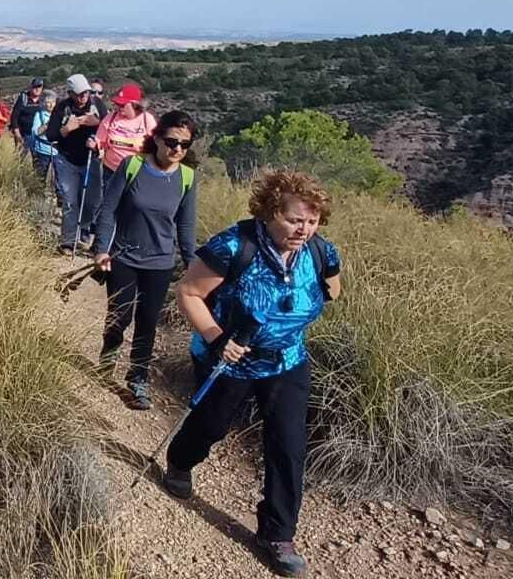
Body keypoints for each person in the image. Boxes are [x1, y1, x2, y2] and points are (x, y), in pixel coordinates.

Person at [164, 170, 342, 579]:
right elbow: (189, 293)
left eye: (312, 221)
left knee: (288, 445)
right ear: (269, 212)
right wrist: (216, 336)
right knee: (211, 426)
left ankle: (277, 534)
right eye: (296, 219)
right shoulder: (233, 247)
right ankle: (180, 461)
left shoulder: (320, 251)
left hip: (288, 361)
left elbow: (333, 287)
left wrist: (295, 314)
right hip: (229, 359)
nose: (305, 229)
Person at [91, 110, 199, 411]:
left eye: (184, 144)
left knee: (148, 322)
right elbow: (108, 211)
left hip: (161, 262)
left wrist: (192, 264)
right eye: (171, 141)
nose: (177, 149)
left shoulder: (187, 177)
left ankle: (137, 378)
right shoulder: (133, 166)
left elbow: (186, 227)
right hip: (124, 256)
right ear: (156, 138)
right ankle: (108, 355)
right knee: (120, 316)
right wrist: (101, 249)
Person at [45, 74, 105, 252]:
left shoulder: (97, 105)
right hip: (67, 160)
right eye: (79, 94)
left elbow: (110, 128)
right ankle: (68, 241)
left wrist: (98, 123)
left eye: (86, 92)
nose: (83, 97)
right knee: (70, 201)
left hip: (90, 160)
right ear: (70, 93)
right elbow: (51, 135)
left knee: (92, 202)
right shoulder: (62, 108)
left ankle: (84, 229)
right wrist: (66, 129)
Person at [94, 83, 157, 184]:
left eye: (122, 105)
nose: (119, 108)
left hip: (137, 172)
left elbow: (156, 145)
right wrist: (94, 144)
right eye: (117, 104)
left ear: (135, 104)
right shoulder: (111, 118)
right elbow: (99, 140)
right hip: (111, 171)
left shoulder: (147, 120)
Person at [28, 90, 59, 180]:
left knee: (58, 179)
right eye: (47, 102)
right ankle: (38, 193)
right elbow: (35, 132)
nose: (50, 105)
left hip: (57, 151)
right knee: (40, 177)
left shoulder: (59, 115)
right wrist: (47, 125)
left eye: (52, 102)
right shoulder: (39, 115)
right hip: (42, 151)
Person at [10, 77, 46, 153]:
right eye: (35, 87)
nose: (37, 89)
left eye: (39, 87)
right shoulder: (24, 98)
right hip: (23, 134)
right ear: (30, 87)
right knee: (21, 156)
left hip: (39, 135)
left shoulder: (44, 100)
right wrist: (16, 132)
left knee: (37, 159)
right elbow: (14, 116)